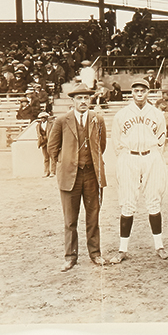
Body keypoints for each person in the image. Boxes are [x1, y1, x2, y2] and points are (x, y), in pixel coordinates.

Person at [108, 77, 168, 264]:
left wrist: (153, 155)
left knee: (154, 201)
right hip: (129, 157)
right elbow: (116, 140)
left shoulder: (157, 113)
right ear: (131, 93)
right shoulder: (122, 114)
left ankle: (159, 245)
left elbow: (161, 138)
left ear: (148, 92)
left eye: (143, 90)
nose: (139, 93)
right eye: (136, 90)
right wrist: (125, 157)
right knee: (127, 202)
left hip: (151, 156)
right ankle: (122, 249)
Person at [47, 85, 107, 271]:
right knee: (70, 220)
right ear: (72, 101)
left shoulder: (97, 119)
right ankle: (70, 256)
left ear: (90, 100)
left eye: (86, 98)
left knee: (93, 217)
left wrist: (91, 164)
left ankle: (95, 254)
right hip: (70, 176)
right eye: (79, 98)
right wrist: (66, 163)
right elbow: (52, 147)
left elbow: (101, 146)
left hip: (91, 175)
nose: (83, 102)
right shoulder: (62, 120)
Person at [36, 111, 54, 177]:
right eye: (41, 118)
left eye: (44, 118)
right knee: (46, 158)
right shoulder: (38, 126)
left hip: (50, 142)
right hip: (43, 142)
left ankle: (53, 171)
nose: (42, 119)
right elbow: (39, 134)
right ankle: (46, 171)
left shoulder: (51, 124)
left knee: (52, 157)